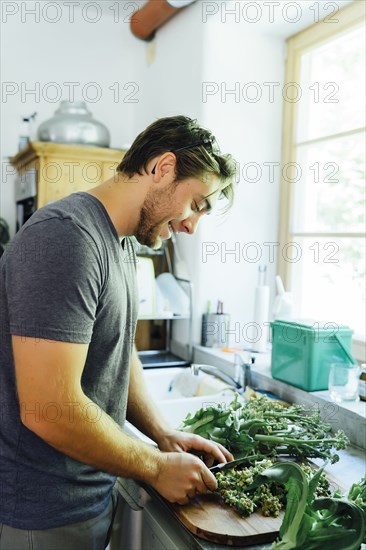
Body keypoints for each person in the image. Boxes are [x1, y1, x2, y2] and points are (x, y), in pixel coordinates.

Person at [0, 115, 237, 549]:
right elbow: (49, 407)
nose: (190, 226)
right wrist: (153, 466)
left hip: (89, 495)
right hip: (38, 512)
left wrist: (162, 435)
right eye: (197, 204)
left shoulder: (122, 243)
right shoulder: (66, 238)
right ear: (163, 168)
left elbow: (117, 353)